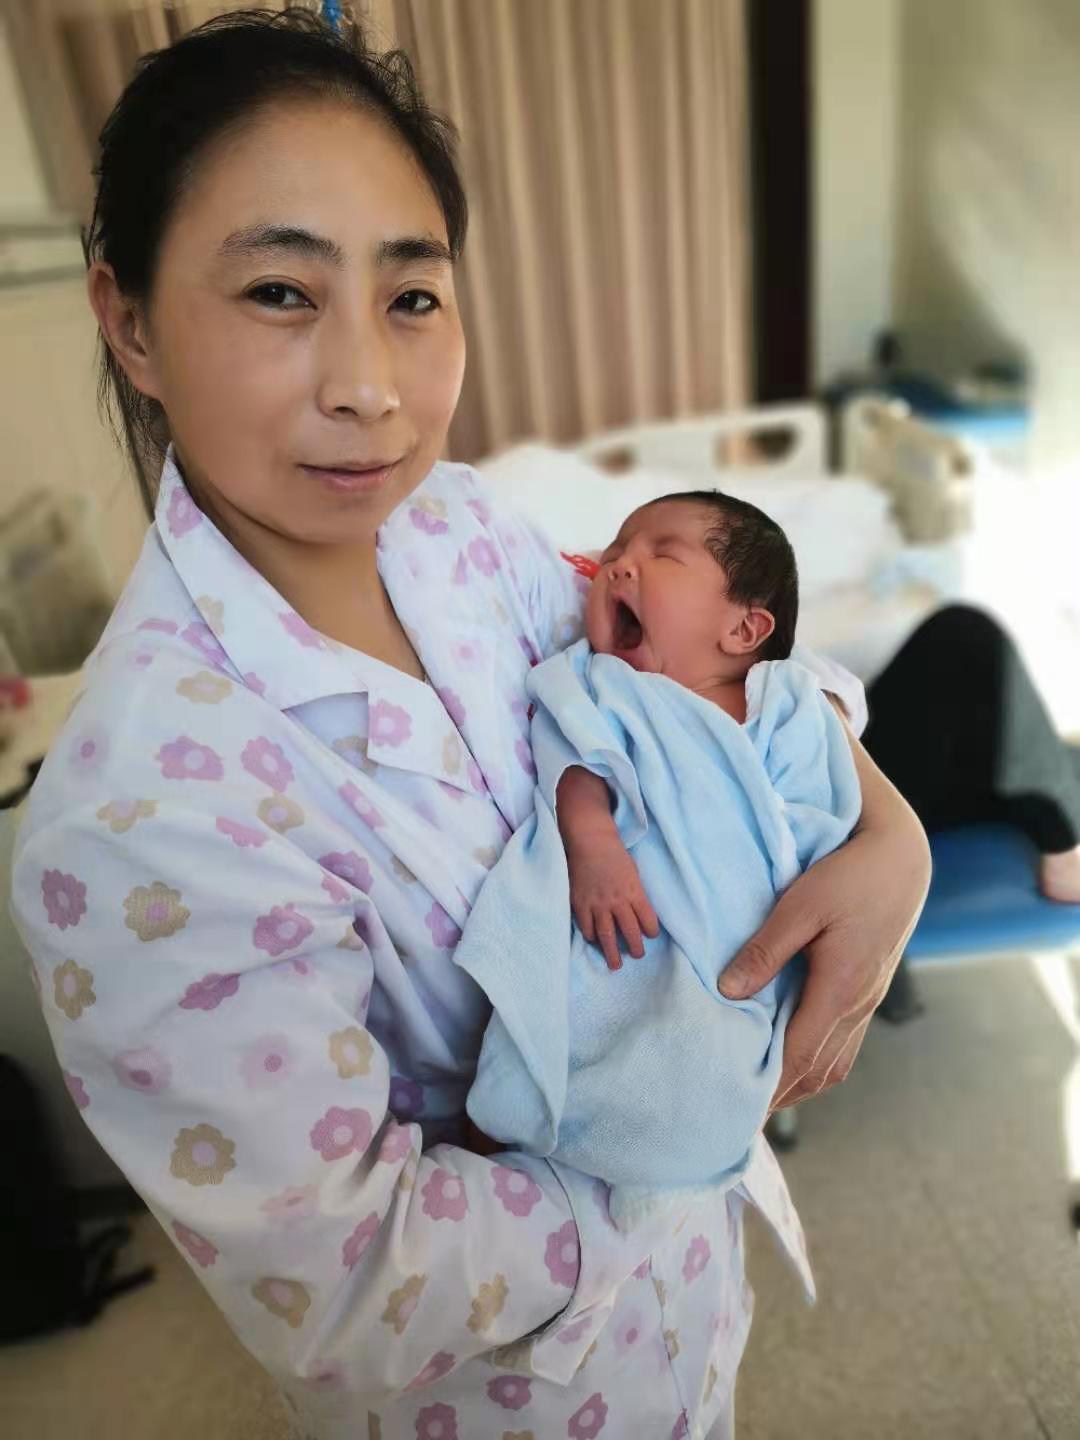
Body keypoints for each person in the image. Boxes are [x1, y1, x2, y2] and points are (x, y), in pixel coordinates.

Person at [8, 11, 929, 1438]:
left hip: (689, 1326)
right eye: (278, 292)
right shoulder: (141, 818)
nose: (369, 386)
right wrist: (676, 1139)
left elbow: (688, 688)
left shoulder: (461, 527)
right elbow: (346, 1276)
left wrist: (890, 832)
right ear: (130, 321)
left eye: (413, 295)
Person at [456, 491, 862, 1227]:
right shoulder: (601, 683)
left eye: (662, 555)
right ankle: (519, 1134)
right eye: (616, 551)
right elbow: (576, 765)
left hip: (741, 937)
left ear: (744, 628)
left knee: (706, 1063)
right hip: (628, 914)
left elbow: (824, 813)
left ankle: (665, 1157)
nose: (619, 565)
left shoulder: (787, 701)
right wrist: (595, 848)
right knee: (561, 1021)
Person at [863, 603, 1080, 1019]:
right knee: (964, 634)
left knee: (965, 636)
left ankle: (1058, 829)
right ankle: (1061, 839)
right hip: (876, 788)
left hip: (899, 791)